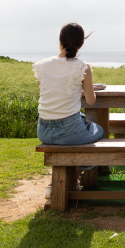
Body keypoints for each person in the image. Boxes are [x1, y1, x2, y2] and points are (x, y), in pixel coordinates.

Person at [34, 22, 104, 199]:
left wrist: (78, 86)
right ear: (81, 45)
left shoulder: (41, 65)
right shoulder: (83, 67)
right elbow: (91, 100)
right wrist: (87, 86)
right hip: (69, 130)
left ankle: (55, 183)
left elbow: (52, 90)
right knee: (100, 134)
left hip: (43, 130)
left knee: (74, 142)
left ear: (60, 41)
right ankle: (73, 178)